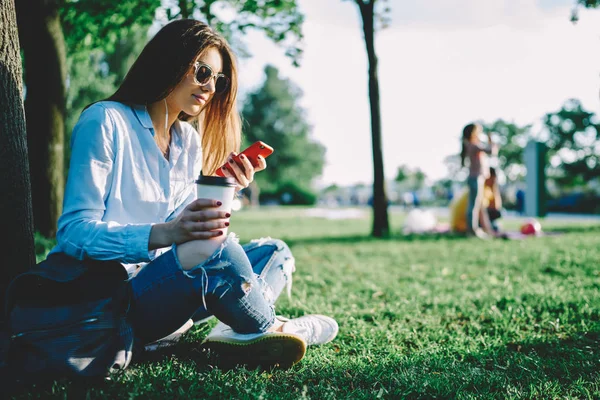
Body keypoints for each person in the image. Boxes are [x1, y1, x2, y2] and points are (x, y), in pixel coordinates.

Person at [41, 19, 338, 370]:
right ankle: (273, 327)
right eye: (202, 72)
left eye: (218, 79)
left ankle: (238, 323)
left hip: (170, 283)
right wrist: (165, 233)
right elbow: (74, 233)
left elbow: (186, 228)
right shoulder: (105, 121)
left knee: (275, 252)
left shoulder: (186, 140)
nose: (210, 87)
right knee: (222, 250)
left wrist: (228, 189)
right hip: (117, 298)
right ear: (169, 61)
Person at [459, 123, 498, 238]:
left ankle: (481, 228)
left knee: (478, 205)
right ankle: (472, 230)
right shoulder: (473, 145)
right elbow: (491, 151)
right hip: (475, 178)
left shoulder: (471, 145)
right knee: (474, 205)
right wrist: (491, 140)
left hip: (477, 178)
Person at [449, 167, 502, 235]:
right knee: (495, 226)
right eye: (494, 179)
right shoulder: (480, 189)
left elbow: (496, 208)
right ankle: (477, 229)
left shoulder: (484, 188)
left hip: (458, 223)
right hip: (462, 224)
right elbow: (481, 211)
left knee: (496, 215)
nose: (495, 181)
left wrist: (494, 188)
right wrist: (489, 231)